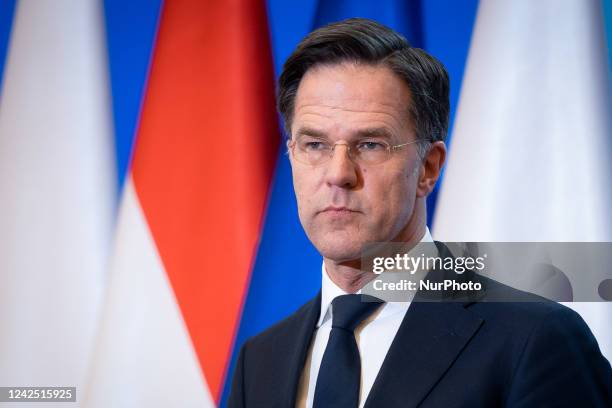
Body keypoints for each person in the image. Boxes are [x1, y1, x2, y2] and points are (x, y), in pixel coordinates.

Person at [228, 18, 612, 407]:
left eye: (371, 145)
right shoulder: (260, 361)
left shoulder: (535, 339)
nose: (338, 174)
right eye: (314, 145)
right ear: (291, 153)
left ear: (428, 168)